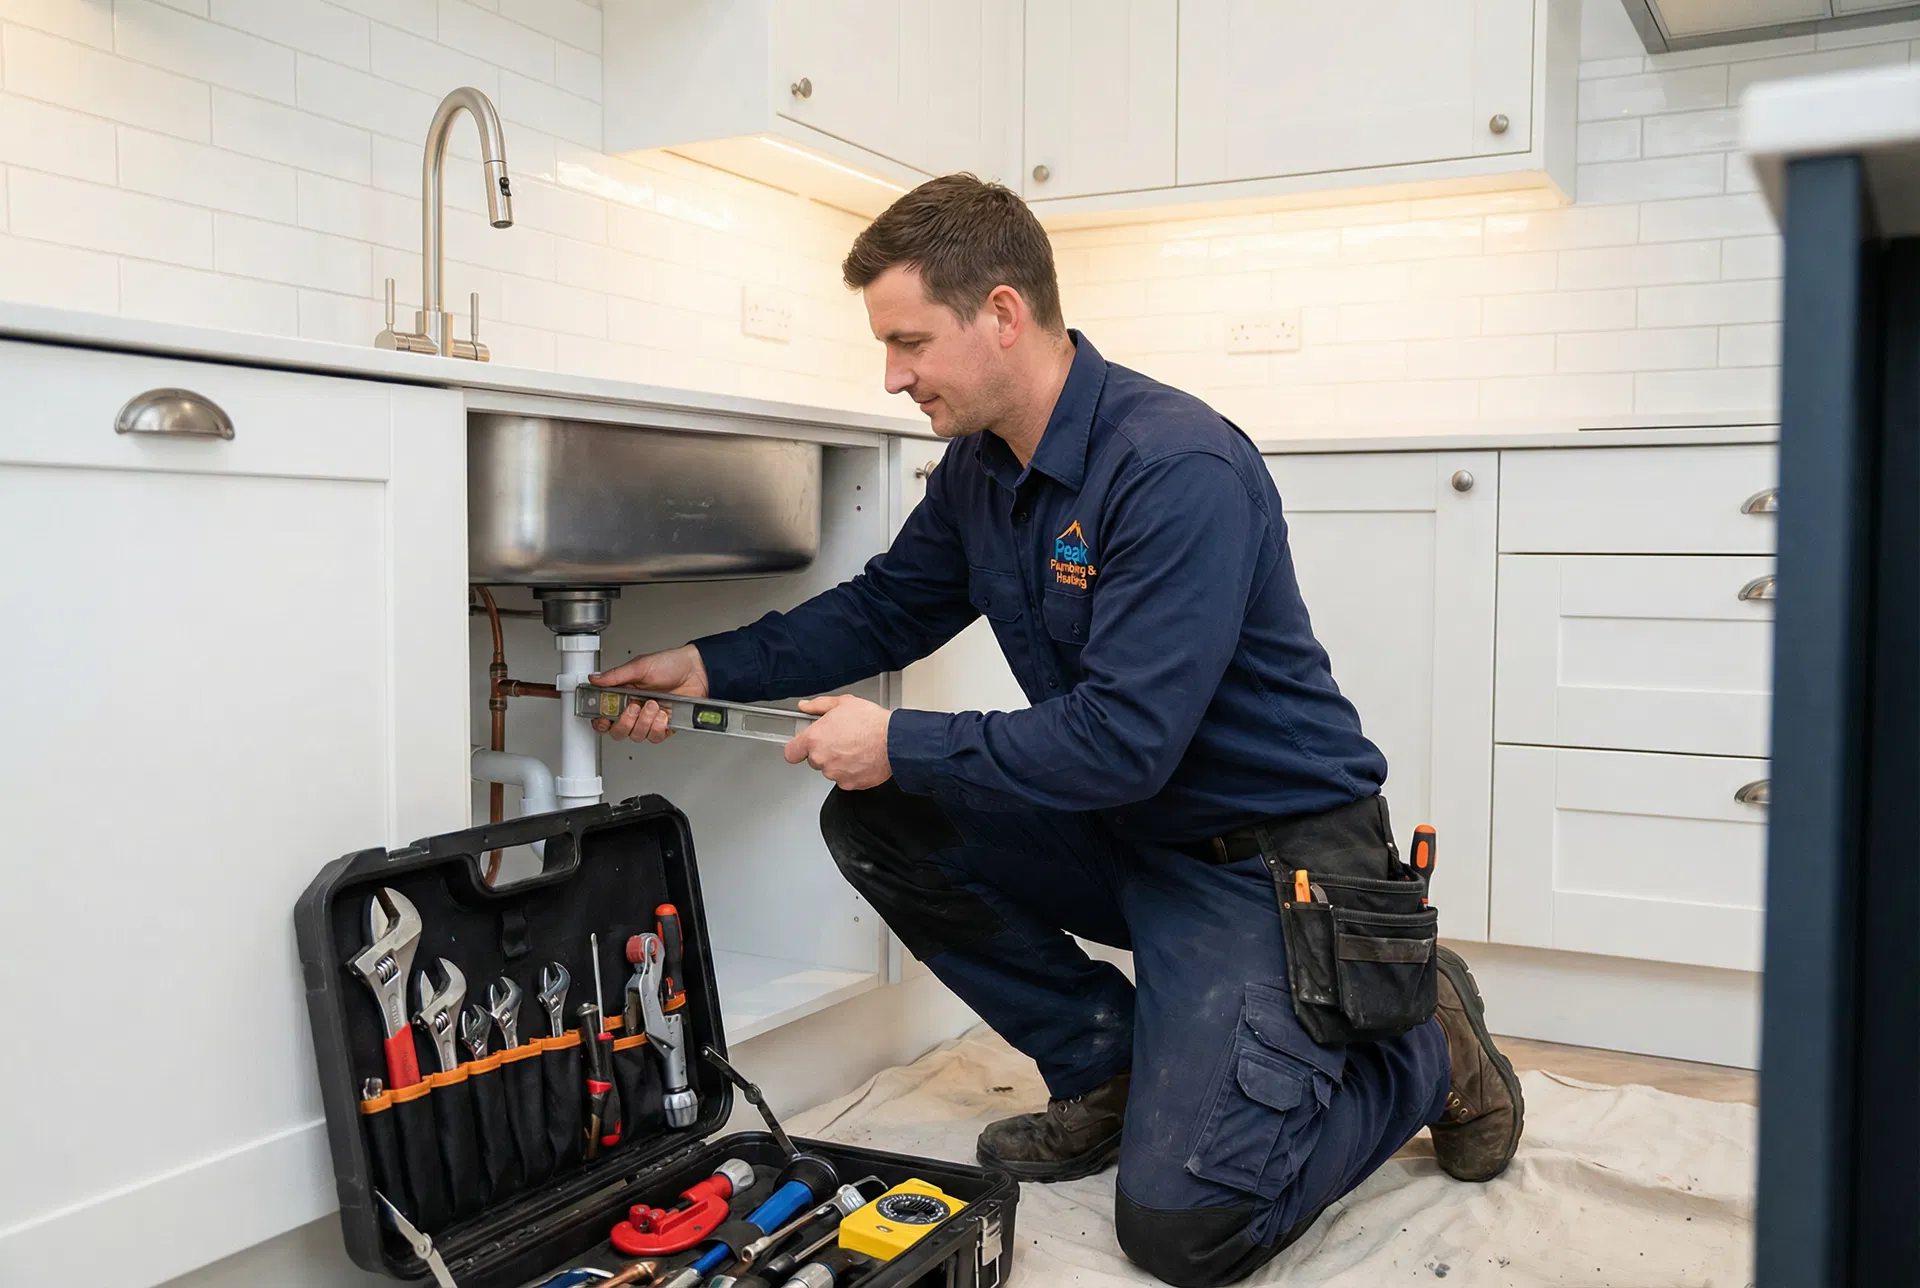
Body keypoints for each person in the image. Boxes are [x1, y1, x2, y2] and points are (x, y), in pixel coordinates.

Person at [590, 174, 1523, 1287]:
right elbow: (889, 607)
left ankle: (1417, 1040)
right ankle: (1105, 1066)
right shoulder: (987, 469)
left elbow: (1125, 738)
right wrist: (706, 664)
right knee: (883, 813)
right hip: (1126, 829)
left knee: (1188, 1230)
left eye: (908, 342)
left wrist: (903, 737)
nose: (892, 376)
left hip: (1265, 866)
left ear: (1001, 313)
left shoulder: (1173, 466)